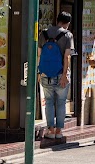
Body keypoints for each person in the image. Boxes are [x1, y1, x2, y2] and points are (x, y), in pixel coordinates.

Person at [37, 11, 74, 139]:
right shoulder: (67, 35)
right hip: (60, 74)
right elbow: (67, 57)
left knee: (48, 102)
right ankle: (59, 131)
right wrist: (65, 75)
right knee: (61, 102)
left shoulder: (44, 33)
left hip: (45, 73)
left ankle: (50, 130)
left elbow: (39, 55)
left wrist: (39, 72)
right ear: (67, 23)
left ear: (57, 20)